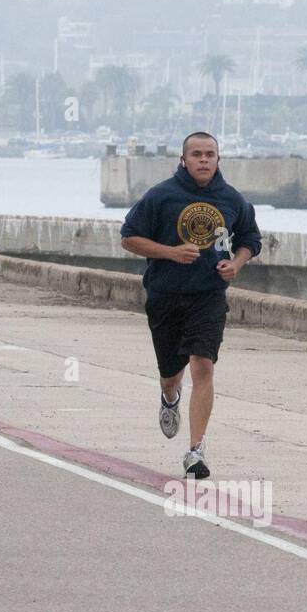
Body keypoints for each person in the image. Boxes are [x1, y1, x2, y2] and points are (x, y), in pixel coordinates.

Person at [119, 131, 261, 479]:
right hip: (165, 296)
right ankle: (170, 398)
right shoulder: (161, 196)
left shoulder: (231, 200)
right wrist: (170, 252)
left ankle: (195, 451)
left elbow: (250, 239)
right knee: (171, 373)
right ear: (183, 159)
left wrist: (236, 264)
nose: (203, 160)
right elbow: (128, 238)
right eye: (196, 154)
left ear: (218, 159)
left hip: (208, 296)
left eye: (210, 154)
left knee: (203, 365)